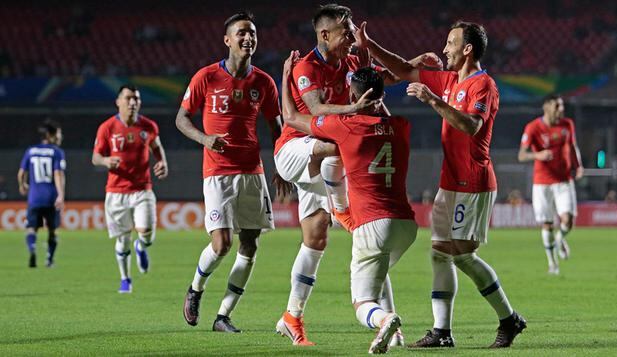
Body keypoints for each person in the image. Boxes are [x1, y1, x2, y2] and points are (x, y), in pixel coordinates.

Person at [356, 20, 527, 348]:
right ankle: (442, 332)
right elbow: (404, 69)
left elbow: (472, 126)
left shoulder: (484, 85)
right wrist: (369, 44)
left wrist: (433, 100)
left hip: (472, 182)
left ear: (467, 49)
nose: (444, 49)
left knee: (462, 256)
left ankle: (509, 319)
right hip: (449, 182)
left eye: (450, 43)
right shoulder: (449, 79)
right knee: (439, 254)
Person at [273, 4, 408, 346]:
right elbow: (315, 110)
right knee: (339, 146)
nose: (351, 38)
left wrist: (415, 66)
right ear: (324, 34)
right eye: (346, 32)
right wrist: (354, 113)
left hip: (329, 156)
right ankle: (340, 207)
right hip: (297, 150)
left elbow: (380, 83)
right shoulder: (306, 66)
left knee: (320, 237)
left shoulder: (350, 63)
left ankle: (292, 317)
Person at [177, 12, 286, 333]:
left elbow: (276, 127)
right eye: (241, 33)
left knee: (250, 245)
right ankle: (196, 289)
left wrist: (282, 165)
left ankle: (223, 316)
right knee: (222, 243)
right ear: (227, 40)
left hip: (252, 171)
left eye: (252, 33)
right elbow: (181, 119)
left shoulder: (263, 82)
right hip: (218, 172)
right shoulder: (206, 77)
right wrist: (205, 139)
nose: (247, 38)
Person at [92, 84, 169, 293]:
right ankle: (125, 279)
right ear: (118, 102)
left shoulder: (148, 126)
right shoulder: (107, 128)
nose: (133, 102)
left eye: (136, 98)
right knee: (123, 239)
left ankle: (141, 247)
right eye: (128, 98)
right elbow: (95, 157)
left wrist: (162, 162)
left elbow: (157, 147)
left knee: (146, 234)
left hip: (142, 190)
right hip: (116, 193)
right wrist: (106, 161)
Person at [518, 94, 583, 275]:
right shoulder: (533, 127)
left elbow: (573, 147)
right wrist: (538, 155)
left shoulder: (567, 124)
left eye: (562, 106)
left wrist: (578, 166)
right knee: (547, 223)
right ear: (546, 107)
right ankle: (552, 264)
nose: (561, 109)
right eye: (557, 106)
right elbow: (521, 155)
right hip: (542, 183)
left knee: (568, 220)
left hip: (563, 180)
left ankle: (560, 238)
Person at [17, 119, 66, 268]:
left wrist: (22, 185)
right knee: (53, 230)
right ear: (51, 135)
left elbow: (20, 173)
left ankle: (32, 249)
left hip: (34, 197)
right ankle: (49, 260)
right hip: (51, 196)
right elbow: (57, 173)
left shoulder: (30, 151)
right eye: (58, 134)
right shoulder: (57, 152)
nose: (60, 137)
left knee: (31, 228)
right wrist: (61, 194)